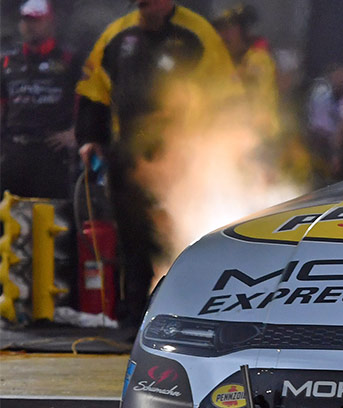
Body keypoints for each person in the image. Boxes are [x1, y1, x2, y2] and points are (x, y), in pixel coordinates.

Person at [74, 0, 238, 327]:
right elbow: (93, 90)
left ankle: (186, 315)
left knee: (179, 235)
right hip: (129, 154)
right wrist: (90, 138)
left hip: (181, 154)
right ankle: (134, 318)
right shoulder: (117, 37)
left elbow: (226, 94)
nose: (146, 7)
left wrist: (216, 145)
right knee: (131, 237)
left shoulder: (197, 35)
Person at [1, 0, 80, 200]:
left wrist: (75, 134)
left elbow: (91, 103)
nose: (29, 25)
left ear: (49, 22)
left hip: (51, 154)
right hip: (14, 153)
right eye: (26, 20)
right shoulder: (8, 62)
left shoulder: (70, 61)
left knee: (54, 220)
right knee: (11, 221)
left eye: (36, 20)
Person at [214, 4, 280, 139]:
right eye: (220, 30)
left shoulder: (258, 59)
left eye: (229, 29)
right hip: (226, 135)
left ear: (243, 31)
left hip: (258, 135)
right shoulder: (220, 60)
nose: (223, 35)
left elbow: (255, 92)